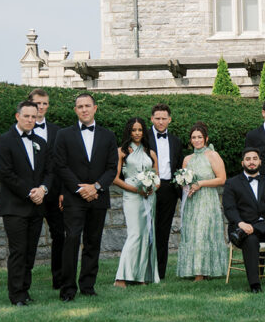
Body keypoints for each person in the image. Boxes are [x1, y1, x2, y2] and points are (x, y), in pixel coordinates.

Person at [53, 94, 118, 301]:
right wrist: (80, 189)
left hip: (98, 197)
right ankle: (68, 289)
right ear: (75, 110)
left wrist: (96, 187)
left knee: (93, 242)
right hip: (74, 198)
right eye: (80, 106)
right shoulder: (63, 135)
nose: (84, 110)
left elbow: (111, 168)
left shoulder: (108, 136)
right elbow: (60, 165)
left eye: (87, 106)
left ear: (95, 108)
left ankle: (88, 286)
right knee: (71, 240)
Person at [0, 100, 52, 305]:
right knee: (18, 251)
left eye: (33, 117)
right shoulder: (4, 141)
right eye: (26, 116)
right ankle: (16, 295)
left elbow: (49, 171)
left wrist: (43, 189)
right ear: (17, 116)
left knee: (30, 251)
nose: (30, 120)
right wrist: (29, 193)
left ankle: (25, 291)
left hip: (36, 206)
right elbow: (6, 174)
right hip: (15, 207)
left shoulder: (41, 143)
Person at [223, 147, 265, 293]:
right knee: (251, 240)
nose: (251, 162)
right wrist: (241, 223)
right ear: (243, 163)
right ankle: (255, 285)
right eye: (248, 159)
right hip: (241, 229)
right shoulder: (232, 183)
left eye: (254, 159)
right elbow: (229, 208)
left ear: (260, 161)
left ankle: (256, 228)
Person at [176, 123, 227, 281]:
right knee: (192, 233)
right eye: (193, 137)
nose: (196, 140)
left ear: (206, 138)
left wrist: (201, 184)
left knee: (203, 233)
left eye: (199, 137)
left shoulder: (212, 155)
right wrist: (185, 184)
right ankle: (193, 269)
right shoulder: (187, 159)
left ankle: (202, 272)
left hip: (207, 199)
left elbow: (222, 179)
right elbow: (183, 180)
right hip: (192, 200)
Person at [113, 117, 160, 286]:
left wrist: (152, 187)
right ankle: (121, 278)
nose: (137, 133)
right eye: (134, 130)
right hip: (132, 196)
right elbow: (115, 179)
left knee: (147, 234)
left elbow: (157, 177)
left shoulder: (150, 152)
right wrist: (136, 189)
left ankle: (140, 276)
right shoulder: (122, 151)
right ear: (129, 132)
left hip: (149, 197)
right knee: (135, 234)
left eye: (140, 130)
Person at [27, 89, 63, 289]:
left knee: (60, 236)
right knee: (29, 239)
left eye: (45, 104)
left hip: (54, 194)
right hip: (31, 195)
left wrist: (63, 193)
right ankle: (24, 282)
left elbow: (62, 164)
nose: (42, 107)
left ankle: (58, 280)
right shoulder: (22, 130)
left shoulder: (58, 131)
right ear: (30, 104)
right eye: (38, 103)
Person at [148, 103, 183, 280]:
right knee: (146, 230)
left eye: (164, 118)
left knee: (163, 231)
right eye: (157, 118)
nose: (161, 122)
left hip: (169, 189)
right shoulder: (144, 138)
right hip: (149, 188)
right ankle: (145, 269)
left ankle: (160, 272)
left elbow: (178, 165)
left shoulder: (176, 141)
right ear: (152, 119)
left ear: (169, 119)